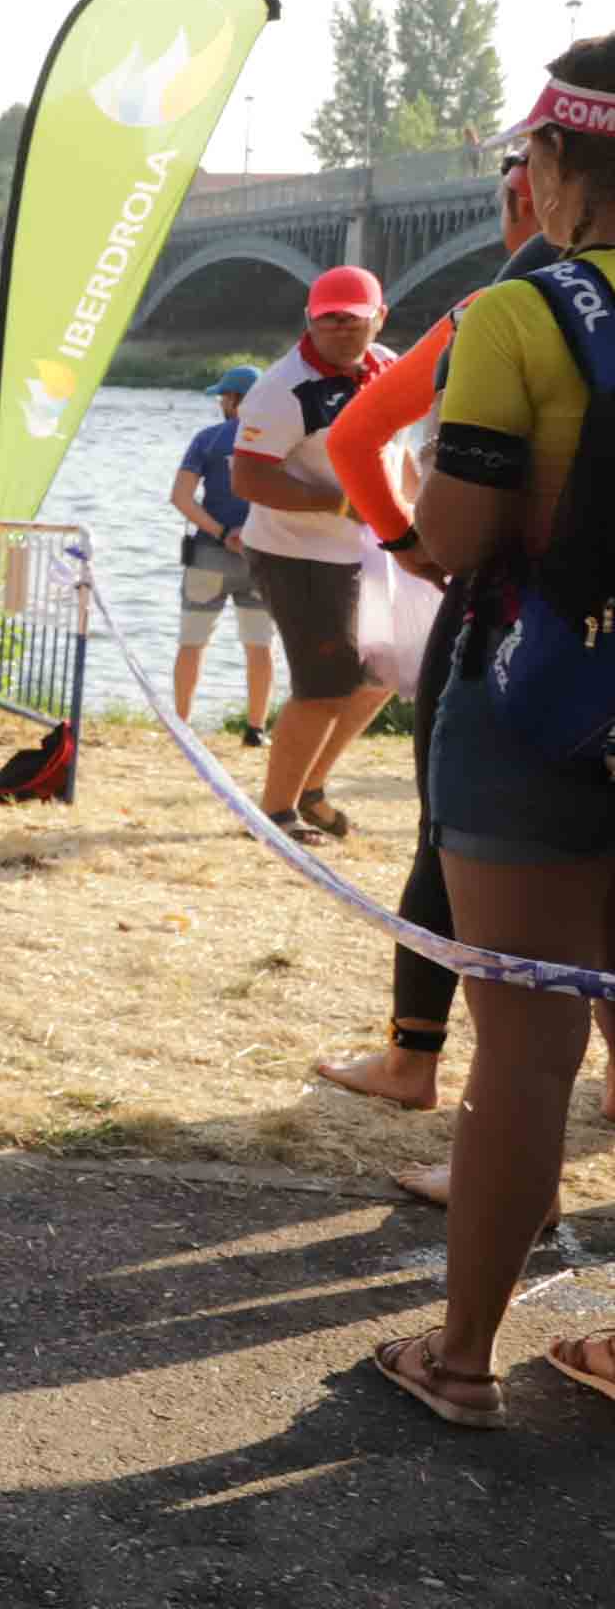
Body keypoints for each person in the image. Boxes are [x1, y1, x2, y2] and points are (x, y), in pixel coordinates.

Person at [374, 37, 615, 1426]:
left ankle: (462, 1364)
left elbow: (458, 537)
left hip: (534, 709)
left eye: (526, 156)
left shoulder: (521, 319)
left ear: (563, 164)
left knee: (527, 1056)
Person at [313, 159, 561, 1124]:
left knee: (451, 837)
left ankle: (413, 1063)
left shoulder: (499, 306)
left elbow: (355, 438)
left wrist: (405, 544)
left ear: (531, 192)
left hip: (503, 604)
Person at [231, 267, 396, 843]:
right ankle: (274, 815)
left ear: (380, 317)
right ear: (309, 320)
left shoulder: (389, 367)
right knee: (323, 686)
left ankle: (312, 788)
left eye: (353, 314)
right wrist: (336, 502)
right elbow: (248, 478)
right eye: (329, 315)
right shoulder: (283, 389)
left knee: (382, 674)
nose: (341, 326)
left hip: (370, 551)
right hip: (296, 555)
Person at [168, 365, 275, 739]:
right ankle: (256, 729)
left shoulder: (208, 440)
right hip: (260, 557)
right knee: (259, 645)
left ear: (233, 400)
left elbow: (180, 498)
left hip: (209, 555)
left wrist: (223, 532)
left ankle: (182, 726)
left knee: (192, 642)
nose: (221, 404)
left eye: (223, 397)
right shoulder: (276, 440)